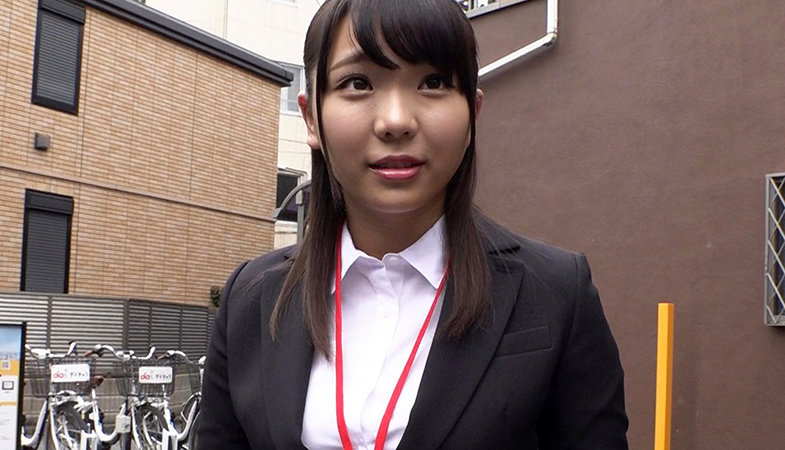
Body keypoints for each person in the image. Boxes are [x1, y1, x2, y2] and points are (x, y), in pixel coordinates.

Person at [197, 0, 629, 448]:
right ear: (311, 117)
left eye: (433, 82)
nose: (396, 121)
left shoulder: (556, 293)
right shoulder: (252, 298)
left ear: (473, 113)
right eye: (358, 83)